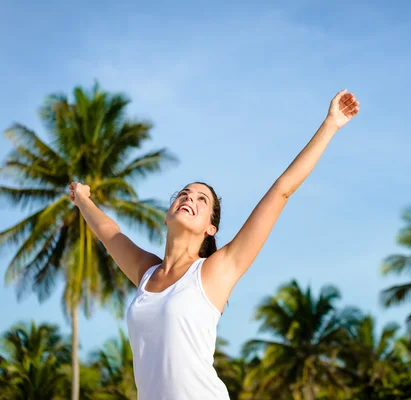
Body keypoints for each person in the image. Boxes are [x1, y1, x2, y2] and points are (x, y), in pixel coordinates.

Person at [69, 89, 360, 399]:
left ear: (211, 227)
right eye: (183, 194)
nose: (188, 198)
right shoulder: (146, 273)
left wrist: (330, 124)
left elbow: (281, 192)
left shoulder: (214, 272)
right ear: (167, 215)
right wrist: (82, 199)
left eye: (201, 199)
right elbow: (109, 232)